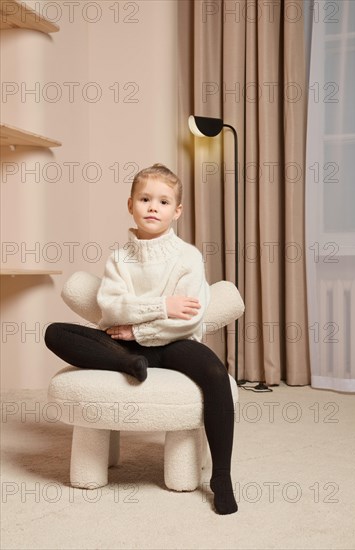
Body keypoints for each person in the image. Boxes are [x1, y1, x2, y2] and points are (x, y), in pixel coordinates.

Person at [44, 163, 238, 515]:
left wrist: (138, 329)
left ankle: (221, 477)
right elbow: (111, 307)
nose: (153, 207)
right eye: (145, 199)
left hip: (177, 345)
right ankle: (126, 363)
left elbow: (189, 318)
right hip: (127, 349)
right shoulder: (119, 258)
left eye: (163, 202)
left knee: (214, 374)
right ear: (130, 204)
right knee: (56, 333)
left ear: (176, 211)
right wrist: (163, 305)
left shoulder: (188, 257)